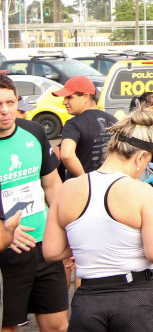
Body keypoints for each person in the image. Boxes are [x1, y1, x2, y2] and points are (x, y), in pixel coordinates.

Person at [42, 109, 153, 331]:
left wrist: (91, 243)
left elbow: (52, 251)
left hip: (87, 301)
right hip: (136, 299)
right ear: (141, 156)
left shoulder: (67, 189)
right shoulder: (141, 192)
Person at [0, 75, 66, 332]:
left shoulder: (34, 131)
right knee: (8, 327)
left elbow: (52, 185)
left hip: (44, 245)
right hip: (7, 252)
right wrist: (5, 233)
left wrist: (62, 229)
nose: (4, 110)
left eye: (9, 102)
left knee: (57, 326)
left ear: (17, 101)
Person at [54, 75, 118, 179]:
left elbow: (66, 155)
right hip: (110, 185)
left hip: (81, 189)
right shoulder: (114, 121)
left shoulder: (73, 124)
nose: (64, 102)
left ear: (86, 97)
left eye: (69, 97)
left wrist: (85, 179)